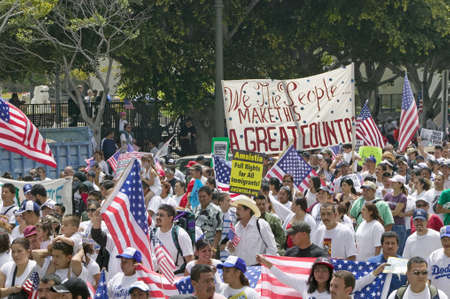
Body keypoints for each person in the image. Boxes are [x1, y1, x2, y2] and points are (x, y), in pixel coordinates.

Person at [228, 195, 277, 266]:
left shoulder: (261, 225)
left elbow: (272, 248)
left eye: (239, 209)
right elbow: (234, 252)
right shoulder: (236, 227)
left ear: (248, 210)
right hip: (240, 269)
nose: (236, 212)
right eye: (236, 209)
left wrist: (265, 264)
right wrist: (231, 248)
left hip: (257, 269)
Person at [152, 204, 194, 273]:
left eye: (161, 215)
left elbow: (190, 261)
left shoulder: (180, 234)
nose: (158, 217)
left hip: (177, 277)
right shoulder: (153, 233)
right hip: (158, 277)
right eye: (157, 214)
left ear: (171, 218)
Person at [367, 231, 407, 296]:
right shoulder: (372, 262)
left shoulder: (404, 264)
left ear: (398, 246)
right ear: (382, 245)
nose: (390, 246)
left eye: (393, 243)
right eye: (387, 243)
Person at [427, 225, 450, 296]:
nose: (447, 243)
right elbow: (427, 279)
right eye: (444, 239)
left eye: (449, 239)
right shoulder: (433, 256)